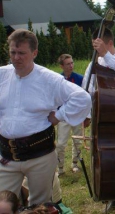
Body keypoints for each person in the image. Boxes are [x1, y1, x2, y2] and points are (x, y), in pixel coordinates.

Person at [0, 29, 91, 206]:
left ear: (34, 53)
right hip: (6, 156)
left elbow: (82, 98)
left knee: (40, 207)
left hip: (39, 155)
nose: (16, 57)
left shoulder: (49, 79)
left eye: (22, 53)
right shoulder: (2, 75)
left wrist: (59, 115)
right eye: (13, 52)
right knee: (3, 206)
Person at [82, 27, 115, 214]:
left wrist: (106, 55)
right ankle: (112, 196)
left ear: (109, 42)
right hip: (100, 117)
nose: (97, 49)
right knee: (104, 159)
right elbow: (87, 89)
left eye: (100, 45)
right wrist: (87, 115)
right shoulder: (94, 63)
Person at [56, 54, 90, 175]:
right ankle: (60, 168)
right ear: (61, 66)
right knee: (61, 143)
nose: (71, 66)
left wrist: (87, 116)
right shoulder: (58, 80)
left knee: (78, 141)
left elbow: (86, 98)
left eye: (72, 63)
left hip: (77, 115)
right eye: (68, 64)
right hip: (63, 116)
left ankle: (75, 163)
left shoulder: (80, 79)